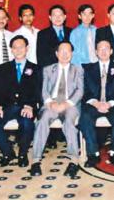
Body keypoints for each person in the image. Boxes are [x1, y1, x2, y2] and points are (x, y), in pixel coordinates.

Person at [30, 41, 83, 178]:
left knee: (70, 124)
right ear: (56, 54)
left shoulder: (78, 69)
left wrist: (67, 103)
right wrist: (50, 102)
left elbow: (80, 90)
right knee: (42, 122)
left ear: (72, 54)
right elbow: (44, 91)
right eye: (62, 51)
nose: (65, 54)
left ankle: (73, 161)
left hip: (70, 104)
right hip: (51, 104)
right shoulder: (48, 69)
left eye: (68, 51)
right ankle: (35, 161)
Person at [0, 35, 40, 168]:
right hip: (7, 107)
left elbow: (38, 91)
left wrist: (30, 105)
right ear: (11, 50)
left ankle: (22, 153)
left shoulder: (35, 68)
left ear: (27, 48)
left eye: (21, 47)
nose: (18, 50)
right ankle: (7, 153)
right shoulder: (3, 68)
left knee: (27, 123)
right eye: (15, 47)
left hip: (25, 106)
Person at [79, 40, 114, 168]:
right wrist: (96, 103)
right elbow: (84, 91)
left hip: (112, 104)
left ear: (111, 51)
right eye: (100, 48)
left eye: (107, 48)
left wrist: (109, 104)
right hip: (94, 104)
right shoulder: (87, 68)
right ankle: (93, 154)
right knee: (85, 117)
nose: (104, 51)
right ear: (96, 52)